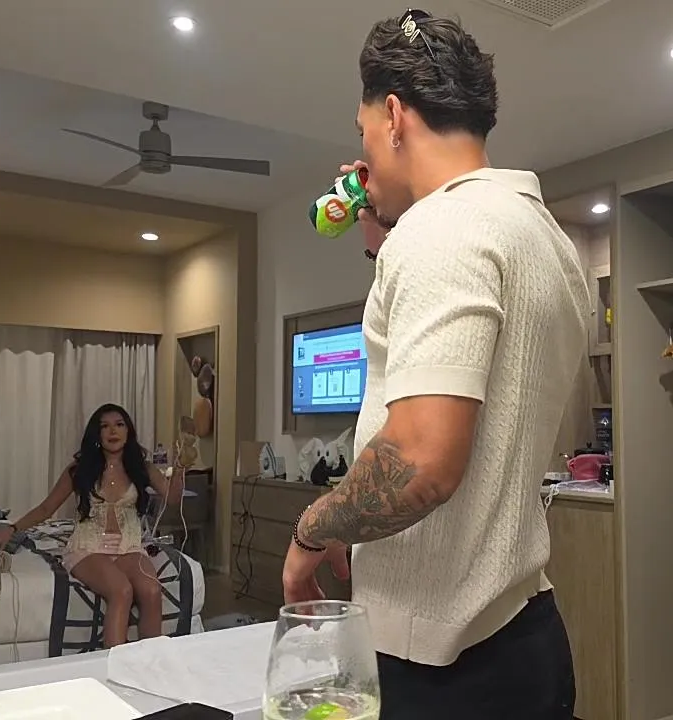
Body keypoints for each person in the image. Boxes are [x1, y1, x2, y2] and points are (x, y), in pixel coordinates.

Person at [281, 9, 588, 720]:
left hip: (445, 666)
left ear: (393, 115)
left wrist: (314, 528)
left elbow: (420, 460)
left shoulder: (441, 231)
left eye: (363, 130)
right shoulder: (544, 237)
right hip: (522, 637)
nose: (363, 150)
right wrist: (387, 237)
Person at [0, 403, 183, 647]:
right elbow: (46, 509)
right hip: (89, 547)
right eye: (105, 426)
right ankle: (113, 664)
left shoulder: (142, 468)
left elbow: (173, 498)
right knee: (121, 591)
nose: (112, 431)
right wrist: (12, 529)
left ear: (128, 431)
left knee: (152, 591)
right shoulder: (80, 470)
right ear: (97, 434)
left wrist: (181, 466)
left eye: (119, 425)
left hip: (128, 546)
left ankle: (150, 662)